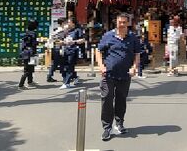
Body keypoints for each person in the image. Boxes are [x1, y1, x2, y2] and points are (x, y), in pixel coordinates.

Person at [96, 13, 141, 142]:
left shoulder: (133, 38)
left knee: (121, 100)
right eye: (119, 22)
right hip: (108, 74)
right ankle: (107, 128)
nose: (121, 25)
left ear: (128, 23)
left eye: (124, 22)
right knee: (107, 99)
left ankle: (119, 123)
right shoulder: (108, 36)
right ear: (116, 22)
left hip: (125, 75)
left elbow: (137, 54)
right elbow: (98, 51)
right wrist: (101, 66)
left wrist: (134, 67)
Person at [60, 17, 86, 89]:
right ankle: (73, 78)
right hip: (66, 50)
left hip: (73, 50)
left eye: (69, 22)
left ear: (73, 23)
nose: (68, 24)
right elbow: (63, 39)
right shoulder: (67, 31)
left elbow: (83, 40)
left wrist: (74, 42)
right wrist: (62, 42)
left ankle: (67, 83)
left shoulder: (78, 30)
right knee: (64, 67)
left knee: (70, 66)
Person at [18, 20, 39, 89]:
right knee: (28, 69)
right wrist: (38, 42)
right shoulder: (33, 34)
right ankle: (21, 85)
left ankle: (30, 81)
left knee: (30, 68)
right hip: (30, 53)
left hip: (25, 53)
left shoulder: (26, 32)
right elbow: (34, 43)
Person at [46, 18, 66, 82]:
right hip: (59, 48)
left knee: (56, 63)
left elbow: (51, 38)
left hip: (54, 48)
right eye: (65, 22)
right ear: (62, 23)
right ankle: (64, 76)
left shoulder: (55, 30)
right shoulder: (62, 31)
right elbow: (60, 40)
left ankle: (50, 75)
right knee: (61, 62)